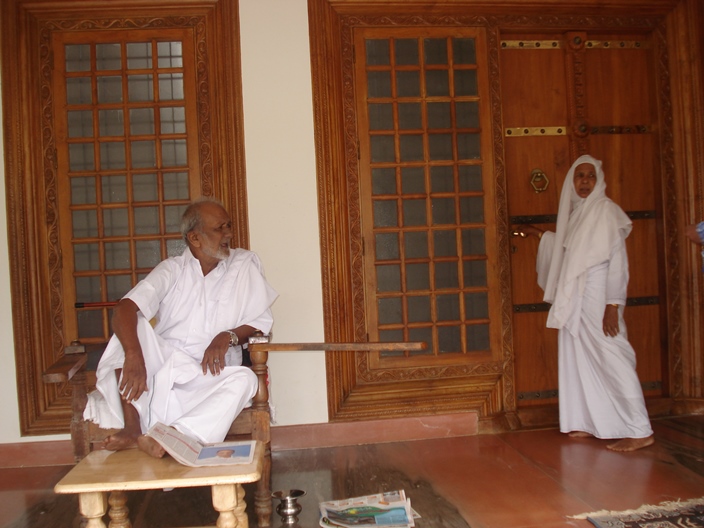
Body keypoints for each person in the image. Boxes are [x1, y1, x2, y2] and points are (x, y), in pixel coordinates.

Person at [83, 198, 278, 458]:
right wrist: (134, 354)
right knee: (132, 325)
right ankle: (132, 428)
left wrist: (228, 336)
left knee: (246, 380)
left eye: (228, 226)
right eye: (219, 228)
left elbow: (260, 321)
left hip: (210, 373)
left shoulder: (244, 264)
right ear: (194, 238)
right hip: (164, 367)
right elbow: (123, 310)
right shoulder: (172, 269)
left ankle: (172, 436)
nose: (228, 234)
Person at [516, 155, 654, 452]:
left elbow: (618, 262)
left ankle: (640, 429)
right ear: (572, 181)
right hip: (577, 296)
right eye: (580, 175)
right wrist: (538, 234)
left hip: (599, 296)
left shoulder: (606, 211)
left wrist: (612, 306)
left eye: (591, 175)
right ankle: (593, 421)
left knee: (612, 356)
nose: (585, 181)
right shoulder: (578, 214)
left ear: (599, 180)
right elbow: (569, 251)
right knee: (579, 354)